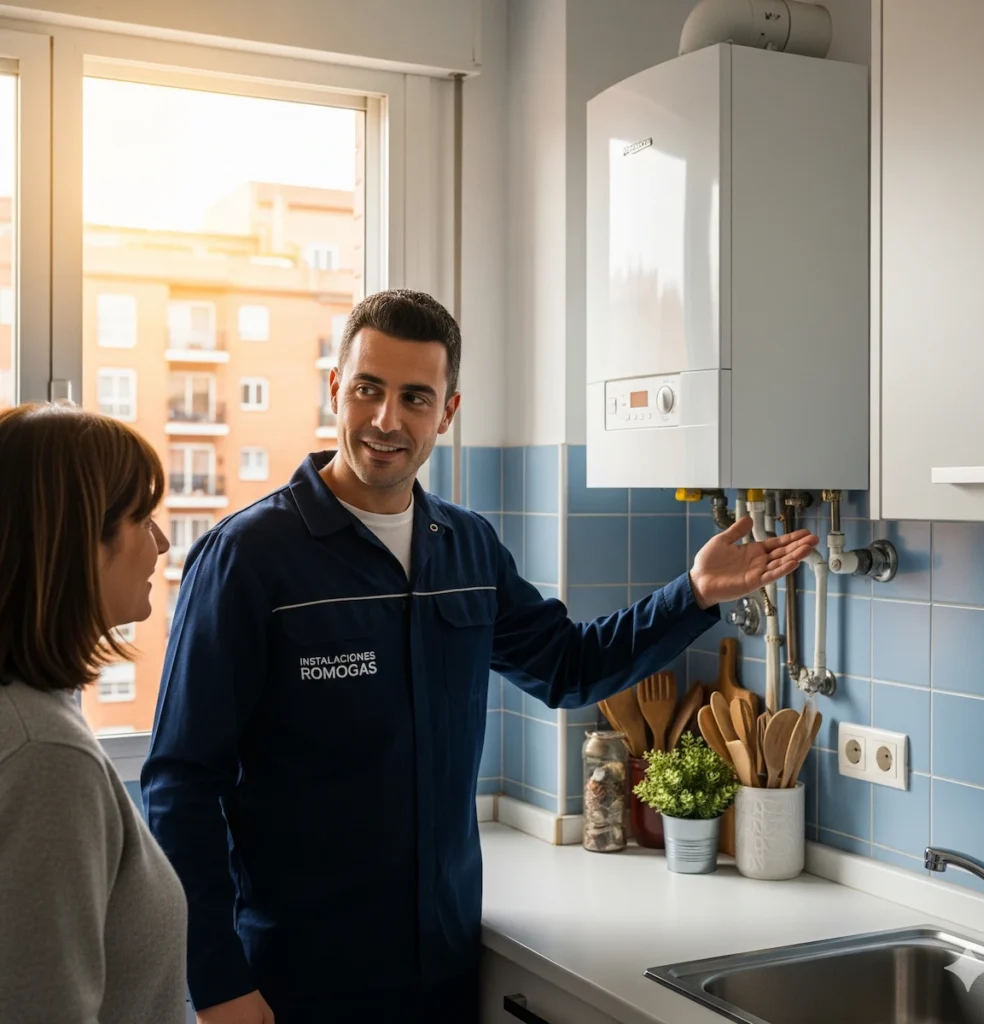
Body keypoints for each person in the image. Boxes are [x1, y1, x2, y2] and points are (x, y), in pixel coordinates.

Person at [142, 289, 818, 1024]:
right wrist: (215, 980)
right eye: (368, 389)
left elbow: (568, 666)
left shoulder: (465, 548)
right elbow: (182, 783)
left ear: (448, 413)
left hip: (441, 960)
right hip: (296, 976)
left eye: (414, 397)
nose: (386, 420)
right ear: (336, 388)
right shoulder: (248, 558)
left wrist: (692, 593)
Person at [0, 403, 187, 1024]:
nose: (161, 542)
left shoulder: (33, 713)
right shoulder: (46, 756)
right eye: (141, 519)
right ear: (79, 539)